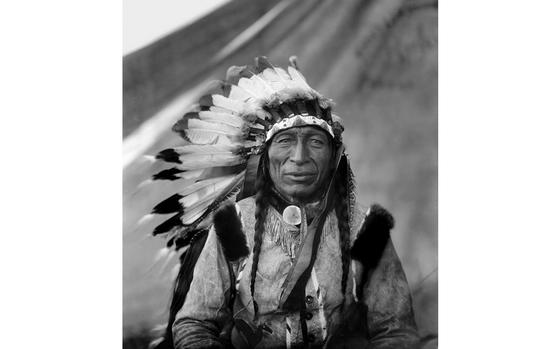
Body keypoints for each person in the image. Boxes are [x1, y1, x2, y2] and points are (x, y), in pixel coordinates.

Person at [147, 57, 419, 348]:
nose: (299, 157)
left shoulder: (366, 231)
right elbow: (195, 324)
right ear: (264, 158)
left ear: (334, 157)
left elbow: (396, 332)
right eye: (285, 141)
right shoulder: (234, 226)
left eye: (315, 142)